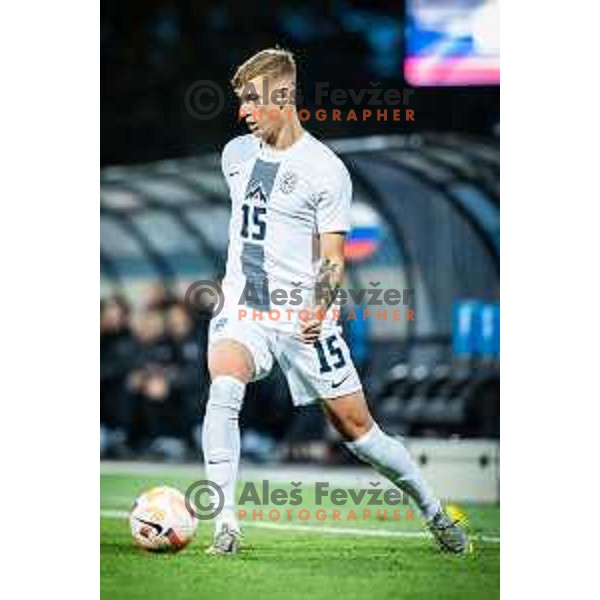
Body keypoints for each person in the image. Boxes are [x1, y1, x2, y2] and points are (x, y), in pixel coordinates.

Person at [202, 48, 470, 554]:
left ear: (284, 98)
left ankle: (435, 512)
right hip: (245, 307)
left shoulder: (326, 169)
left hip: (305, 316)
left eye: (252, 101)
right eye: (241, 102)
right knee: (225, 385)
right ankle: (225, 524)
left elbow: (331, 259)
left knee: (358, 431)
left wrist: (320, 305)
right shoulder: (236, 156)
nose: (243, 112)